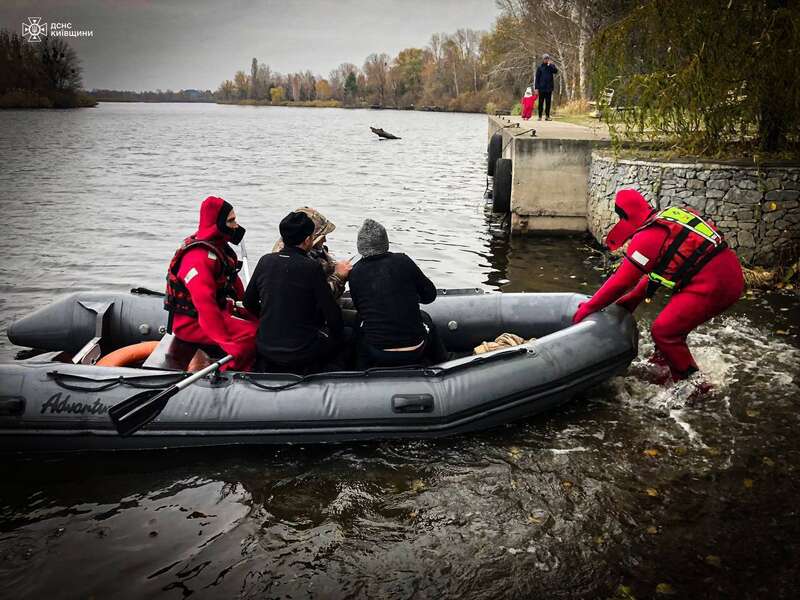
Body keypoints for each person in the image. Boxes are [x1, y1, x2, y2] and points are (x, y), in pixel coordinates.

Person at [572, 189, 744, 383]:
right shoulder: (668, 218)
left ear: (624, 216)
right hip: (727, 273)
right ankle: (662, 365)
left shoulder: (648, 236)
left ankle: (695, 388)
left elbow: (621, 281)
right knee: (673, 327)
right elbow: (660, 269)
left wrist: (588, 308)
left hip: (715, 283)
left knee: (664, 331)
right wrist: (631, 300)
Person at [245, 211, 349, 373]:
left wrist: (268, 317)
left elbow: (248, 302)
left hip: (266, 347)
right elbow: (332, 315)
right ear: (308, 240)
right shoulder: (311, 267)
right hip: (301, 351)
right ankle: (331, 379)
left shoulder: (265, 261)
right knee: (348, 336)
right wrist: (337, 335)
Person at [164, 195, 258, 372]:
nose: (236, 226)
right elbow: (205, 306)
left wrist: (252, 310)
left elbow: (234, 284)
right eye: (231, 221)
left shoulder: (219, 249)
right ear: (218, 223)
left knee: (262, 325)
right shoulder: (197, 259)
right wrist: (227, 342)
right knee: (253, 336)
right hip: (191, 323)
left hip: (219, 312)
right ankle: (231, 374)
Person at [348, 218, 448, 369]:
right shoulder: (403, 261)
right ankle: (444, 365)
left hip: (377, 352)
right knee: (425, 317)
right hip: (416, 349)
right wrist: (410, 297)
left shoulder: (355, 272)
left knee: (359, 324)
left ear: (360, 246)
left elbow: (361, 309)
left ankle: (359, 372)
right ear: (385, 242)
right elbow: (430, 295)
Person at [272, 206, 351, 299]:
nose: (324, 240)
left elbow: (329, 264)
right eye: (322, 237)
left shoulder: (312, 249)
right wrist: (339, 277)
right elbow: (322, 297)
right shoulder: (302, 263)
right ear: (308, 238)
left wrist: (342, 267)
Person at [534, 53, 558, 121]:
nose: (546, 60)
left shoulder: (551, 66)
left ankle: (547, 116)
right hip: (541, 88)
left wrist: (551, 65)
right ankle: (540, 116)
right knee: (540, 103)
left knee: (548, 103)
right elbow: (537, 78)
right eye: (545, 58)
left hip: (549, 88)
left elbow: (555, 71)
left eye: (547, 58)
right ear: (543, 59)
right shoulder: (540, 67)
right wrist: (536, 88)